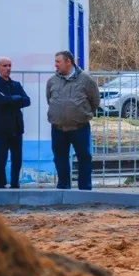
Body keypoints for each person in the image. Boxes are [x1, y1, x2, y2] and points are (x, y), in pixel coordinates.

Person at [46, 51, 99, 190]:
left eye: (58, 61)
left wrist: (81, 114)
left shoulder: (86, 79)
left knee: (84, 158)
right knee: (60, 159)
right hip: (58, 128)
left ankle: (85, 189)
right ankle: (63, 188)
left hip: (79, 127)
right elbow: (49, 99)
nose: (55, 65)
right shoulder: (52, 81)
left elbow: (95, 101)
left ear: (68, 62)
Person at [0, 57, 31, 189]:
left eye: (9, 65)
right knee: (0, 159)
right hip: (1, 128)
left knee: (17, 159)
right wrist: (15, 99)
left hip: (16, 127)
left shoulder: (16, 85)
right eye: (4, 65)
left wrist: (9, 99)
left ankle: (15, 183)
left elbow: (27, 101)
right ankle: (0, 185)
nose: (8, 68)